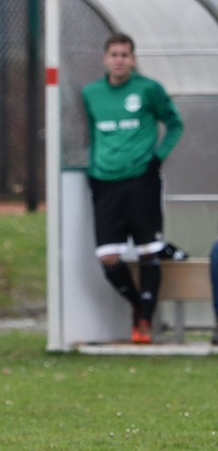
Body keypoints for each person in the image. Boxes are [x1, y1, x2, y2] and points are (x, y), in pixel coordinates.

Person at [82, 32, 183, 344]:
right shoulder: (91, 93)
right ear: (105, 59)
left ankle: (144, 320)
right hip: (105, 182)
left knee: (147, 250)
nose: (119, 60)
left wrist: (158, 157)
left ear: (133, 59)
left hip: (141, 179)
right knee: (108, 257)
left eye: (125, 55)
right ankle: (139, 304)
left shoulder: (148, 89)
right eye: (114, 54)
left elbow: (175, 123)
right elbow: (90, 133)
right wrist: (93, 167)